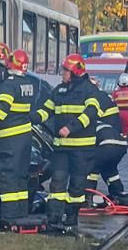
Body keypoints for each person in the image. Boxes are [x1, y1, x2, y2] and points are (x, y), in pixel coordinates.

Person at [35, 53, 99, 233]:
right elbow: (47, 110)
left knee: (77, 186)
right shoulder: (59, 90)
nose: (62, 73)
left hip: (81, 148)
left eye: (65, 70)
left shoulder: (89, 90)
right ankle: (54, 219)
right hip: (62, 148)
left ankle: (71, 219)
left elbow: (91, 113)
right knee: (57, 184)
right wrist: (30, 118)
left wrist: (71, 127)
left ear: (75, 72)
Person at [0, 44, 38, 224]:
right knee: (21, 176)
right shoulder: (28, 84)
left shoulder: (9, 86)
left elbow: (1, 111)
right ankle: (21, 214)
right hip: (25, 138)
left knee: (7, 178)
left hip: (9, 140)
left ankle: (9, 217)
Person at [88, 77, 128, 200]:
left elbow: (89, 118)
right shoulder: (105, 96)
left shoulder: (95, 99)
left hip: (106, 141)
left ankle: (88, 196)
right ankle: (120, 194)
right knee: (110, 170)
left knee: (91, 168)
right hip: (119, 141)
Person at [112, 72, 128, 139]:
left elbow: (112, 103)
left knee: (118, 127)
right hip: (127, 112)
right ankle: (126, 140)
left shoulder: (115, 92)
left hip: (117, 113)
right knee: (127, 128)